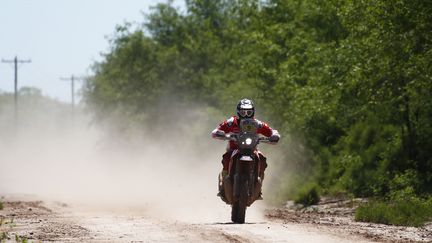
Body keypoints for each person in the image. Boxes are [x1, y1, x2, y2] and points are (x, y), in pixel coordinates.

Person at [211, 98, 280, 199]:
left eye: (249, 112)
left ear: (253, 112)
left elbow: (271, 131)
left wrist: (274, 135)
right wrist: (218, 132)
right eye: (243, 112)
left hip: (252, 149)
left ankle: (258, 186)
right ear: (238, 112)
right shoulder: (232, 122)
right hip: (234, 149)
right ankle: (223, 183)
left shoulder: (257, 123)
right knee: (226, 158)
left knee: (262, 160)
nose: (246, 115)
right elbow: (217, 129)